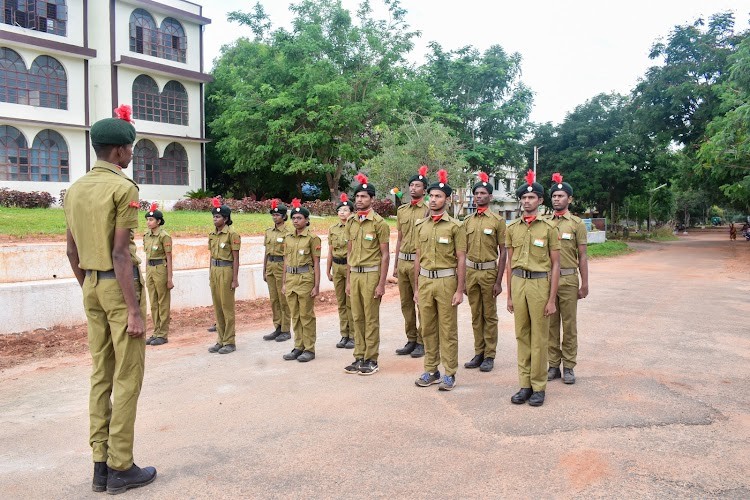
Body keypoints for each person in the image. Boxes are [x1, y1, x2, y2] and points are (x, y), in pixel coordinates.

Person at [64, 104, 157, 494]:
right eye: (131, 148)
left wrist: (91, 286)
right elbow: (121, 254)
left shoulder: (75, 189)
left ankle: (100, 466)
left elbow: (71, 252)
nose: (132, 154)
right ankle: (121, 466)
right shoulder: (123, 188)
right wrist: (133, 309)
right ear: (118, 151)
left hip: (90, 284)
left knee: (100, 376)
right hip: (119, 290)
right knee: (127, 376)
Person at [505, 170, 560, 407]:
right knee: (522, 335)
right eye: (524, 199)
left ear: (540, 201)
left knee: (539, 337)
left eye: (532, 198)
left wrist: (551, 299)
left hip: (539, 284)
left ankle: (539, 386)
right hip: (518, 282)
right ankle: (524, 385)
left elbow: (556, 264)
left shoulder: (548, 229)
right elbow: (509, 262)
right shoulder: (512, 228)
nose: (527, 202)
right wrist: (508, 295)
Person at [413, 170, 467, 391]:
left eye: (438, 196)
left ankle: (449, 372)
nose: (433, 200)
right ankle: (431, 370)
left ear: (447, 200)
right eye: (431, 196)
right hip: (425, 281)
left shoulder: (456, 226)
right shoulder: (421, 226)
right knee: (427, 328)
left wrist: (460, 290)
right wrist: (416, 287)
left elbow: (461, 259)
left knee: (447, 329)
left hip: (446, 282)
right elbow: (418, 257)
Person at [545, 173, 589, 385]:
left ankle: (569, 366)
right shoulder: (545, 223)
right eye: (554, 196)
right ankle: (553, 365)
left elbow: (583, 255)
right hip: (548, 281)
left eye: (561, 196)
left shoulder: (577, 224)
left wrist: (585, 283)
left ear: (569, 199)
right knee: (551, 324)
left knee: (569, 325)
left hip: (569, 279)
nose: (557, 199)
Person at [344, 173, 390, 376]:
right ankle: (359, 356)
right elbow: (349, 253)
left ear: (372, 199)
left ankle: (371, 359)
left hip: (371, 275)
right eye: (357, 197)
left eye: (364, 196)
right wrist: (347, 280)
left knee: (371, 318)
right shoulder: (351, 222)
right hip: (355, 275)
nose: (360, 200)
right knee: (357, 317)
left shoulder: (379, 223)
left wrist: (382, 284)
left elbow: (385, 255)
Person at [463, 172, 506, 373]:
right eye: (476, 193)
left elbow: (503, 251)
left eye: (482, 193)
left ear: (490, 196)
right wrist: (461, 279)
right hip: (471, 272)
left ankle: (489, 355)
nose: (478, 196)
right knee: (475, 314)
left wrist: (499, 281)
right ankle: (478, 352)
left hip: (489, 272)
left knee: (489, 315)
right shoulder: (467, 221)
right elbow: (461, 252)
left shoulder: (497, 221)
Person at [392, 166, 429, 357]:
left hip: (420, 262)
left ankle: (423, 341)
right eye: (411, 185)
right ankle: (411, 339)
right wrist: (395, 264)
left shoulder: (429, 210)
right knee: (406, 303)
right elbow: (400, 237)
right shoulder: (402, 210)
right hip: (404, 262)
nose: (413, 188)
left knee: (421, 302)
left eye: (418, 185)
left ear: (425, 189)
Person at [282, 199, 322, 362]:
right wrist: (284, 282)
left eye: (299, 218)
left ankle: (309, 349)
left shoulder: (313, 238)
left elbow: (316, 262)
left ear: (306, 220)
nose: (296, 221)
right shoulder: (288, 237)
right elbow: (285, 261)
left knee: (306, 315)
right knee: (295, 315)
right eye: (294, 218)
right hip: (291, 279)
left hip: (305, 280)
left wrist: (316, 285)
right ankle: (298, 346)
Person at [207, 198, 241, 354]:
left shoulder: (232, 234)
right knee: (218, 307)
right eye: (214, 217)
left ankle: (229, 341)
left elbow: (236, 258)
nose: (215, 219)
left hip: (226, 271)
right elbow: (211, 257)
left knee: (227, 307)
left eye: (218, 217)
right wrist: (210, 274)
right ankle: (220, 340)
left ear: (226, 219)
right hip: (215, 271)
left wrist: (234, 279)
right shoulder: (212, 234)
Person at [143, 203, 173, 346]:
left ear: (159, 221)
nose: (148, 222)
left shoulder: (164, 236)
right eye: (147, 220)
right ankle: (155, 332)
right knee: (153, 303)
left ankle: (163, 334)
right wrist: (145, 272)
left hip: (161, 268)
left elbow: (169, 257)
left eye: (151, 220)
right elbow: (147, 256)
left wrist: (169, 278)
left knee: (163, 302)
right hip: (150, 269)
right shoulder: (146, 236)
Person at [327, 193, 354, 349]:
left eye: (345, 210)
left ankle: (353, 335)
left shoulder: (354, 226)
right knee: (341, 302)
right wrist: (328, 270)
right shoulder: (333, 229)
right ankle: (344, 334)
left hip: (349, 267)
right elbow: (330, 250)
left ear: (351, 212)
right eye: (340, 210)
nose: (342, 212)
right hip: (337, 267)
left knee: (351, 302)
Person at [263, 199, 292, 342]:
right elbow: (266, 253)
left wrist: (287, 274)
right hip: (270, 266)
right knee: (274, 299)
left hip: (282, 266)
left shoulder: (288, 233)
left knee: (283, 299)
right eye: (273, 215)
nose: (275, 217)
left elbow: (288, 255)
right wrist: (264, 270)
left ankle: (286, 329)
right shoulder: (268, 232)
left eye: (278, 215)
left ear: (284, 216)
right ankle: (277, 327)